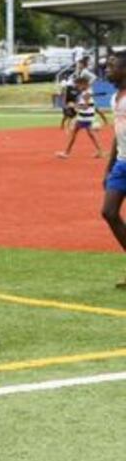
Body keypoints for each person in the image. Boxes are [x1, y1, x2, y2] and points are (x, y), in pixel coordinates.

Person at [98, 52, 126, 286]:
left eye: (112, 66)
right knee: (108, 212)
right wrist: (109, 167)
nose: (107, 70)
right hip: (121, 164)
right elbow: (118, 135)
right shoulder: (115, 98)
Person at [56, 77, 107, 159]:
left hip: (84, 117)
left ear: (84, 84)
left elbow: (85, 107)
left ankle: (66, 153)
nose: (77, 87)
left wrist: (74, 105)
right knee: (91, 134)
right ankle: (100, 151)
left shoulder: (86, 93)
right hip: (87, 117)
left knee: (73, 134)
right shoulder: (87, 92)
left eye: (79, 85)